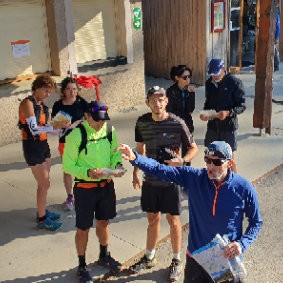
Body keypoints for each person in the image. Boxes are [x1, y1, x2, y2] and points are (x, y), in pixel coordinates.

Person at [118, 141, 262, 283]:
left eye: (217, 162)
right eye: (208, 160)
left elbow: (256, 222)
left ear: (229, 163)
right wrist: (135, 158)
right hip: (196, 260)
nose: (210, 166)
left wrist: (241, 244)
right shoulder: (195, 177)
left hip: (225, 261)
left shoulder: (244, 188)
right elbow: (160, 170)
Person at [129, 86, 198, 282]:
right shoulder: (142, 122)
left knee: (174, 221)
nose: (157, 103)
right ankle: (149, 256)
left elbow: (193, 148)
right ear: (147, 102)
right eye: (153, 99)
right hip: (150, 180)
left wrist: (183, 161)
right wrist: (135, 172)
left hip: (172, 180)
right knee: (152, 220)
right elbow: (139, 150)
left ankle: (176, 260)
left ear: (166, 101)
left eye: (161, 99)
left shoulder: (177, 123)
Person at [62, 100, 126, 282]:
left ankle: (104, 255)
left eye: (104, 119)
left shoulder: (109, 131)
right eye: (97, 119)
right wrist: (88, 172)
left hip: (106, 186)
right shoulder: (75, 136)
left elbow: (115, 153)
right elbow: (68, 166)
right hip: (85, 189)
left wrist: (117, 166)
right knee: (83, 228)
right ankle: (82, 266)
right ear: (86, 116)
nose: (101, 123)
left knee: (104, 222)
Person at [18, 74, 71, 231]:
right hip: (32, 147)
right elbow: (34, 129)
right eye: (46, 91)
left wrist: (61, 127)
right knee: (44, 183)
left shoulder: (41, 105)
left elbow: (44, 126)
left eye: (50, 92)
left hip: (43, 146)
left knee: (45, 184)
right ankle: (42, 219)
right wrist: (54, 128)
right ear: (37, 88)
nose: (48, 94)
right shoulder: (27, 103)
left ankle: (42, 210)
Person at [200, 59, 246, 173]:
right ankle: (212, 180)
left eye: (217, 73)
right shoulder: (209, 83)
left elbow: (242, 105)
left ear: (224, 69)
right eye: (212, 74)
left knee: (229, 158)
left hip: (228, 127)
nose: (214, 76)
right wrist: (205, 113)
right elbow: (208, 102)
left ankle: (235, 184)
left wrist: (229, 112)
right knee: (210, 156)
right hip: (213, 126)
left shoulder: (235, 82)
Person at [51, 77, 88, 211]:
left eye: (74, 89)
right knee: (68, 170)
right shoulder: (57, 105)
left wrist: (78, 122)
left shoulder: (81, 102)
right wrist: (62, 124)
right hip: (65, 141)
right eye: (69, 89)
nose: (72, 92)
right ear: (63, 91)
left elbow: (90, 118)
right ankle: (70, 196)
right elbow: (53, 125)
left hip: (80, 141)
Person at [166, 65, 196, 135]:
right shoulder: (171, 91)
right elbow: (170, 111)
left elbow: (190, 110)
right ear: (177, 78)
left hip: (188, 126)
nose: (188, 79)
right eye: (185, 77)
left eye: (189, 76)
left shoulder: (189, 90)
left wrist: (191, 94)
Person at [274, 3, 280, 72]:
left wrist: (275, 36)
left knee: (274, 49)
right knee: (275, 49)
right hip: (276, 34)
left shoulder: (275, 15)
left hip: (275, 34)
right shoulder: (277, 14)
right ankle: (276, 65)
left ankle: (276, 65)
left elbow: (277, 27)